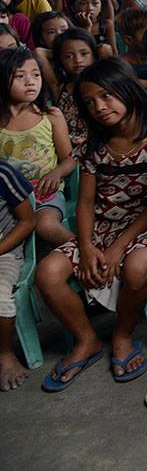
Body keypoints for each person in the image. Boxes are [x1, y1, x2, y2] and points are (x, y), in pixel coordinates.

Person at [35, 58, 147, 390]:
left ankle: (123, 336)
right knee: (47, 273)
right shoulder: (93, 147)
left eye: (106, 95)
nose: (99, 107)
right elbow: (86, 202)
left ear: (128, 91)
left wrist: (117, 248)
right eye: (90, 102)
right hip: (98, 228)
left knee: (137, 268)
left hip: (143, 228)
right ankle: (86, 339)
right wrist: (86, 248)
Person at [0, 46, 76, 247]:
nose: (30, 81)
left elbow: (70, 158)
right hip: (8, 198)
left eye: (36, 74)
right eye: (20, 76)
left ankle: (84, 253)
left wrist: (56, 173)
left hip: (44, 192)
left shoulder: (51, 116)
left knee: (45, 225)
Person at [0, 160, 35, 391]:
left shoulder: (3, 174)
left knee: (0, 296)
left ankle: (5, 354)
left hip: (4, 252)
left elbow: (28, 221)